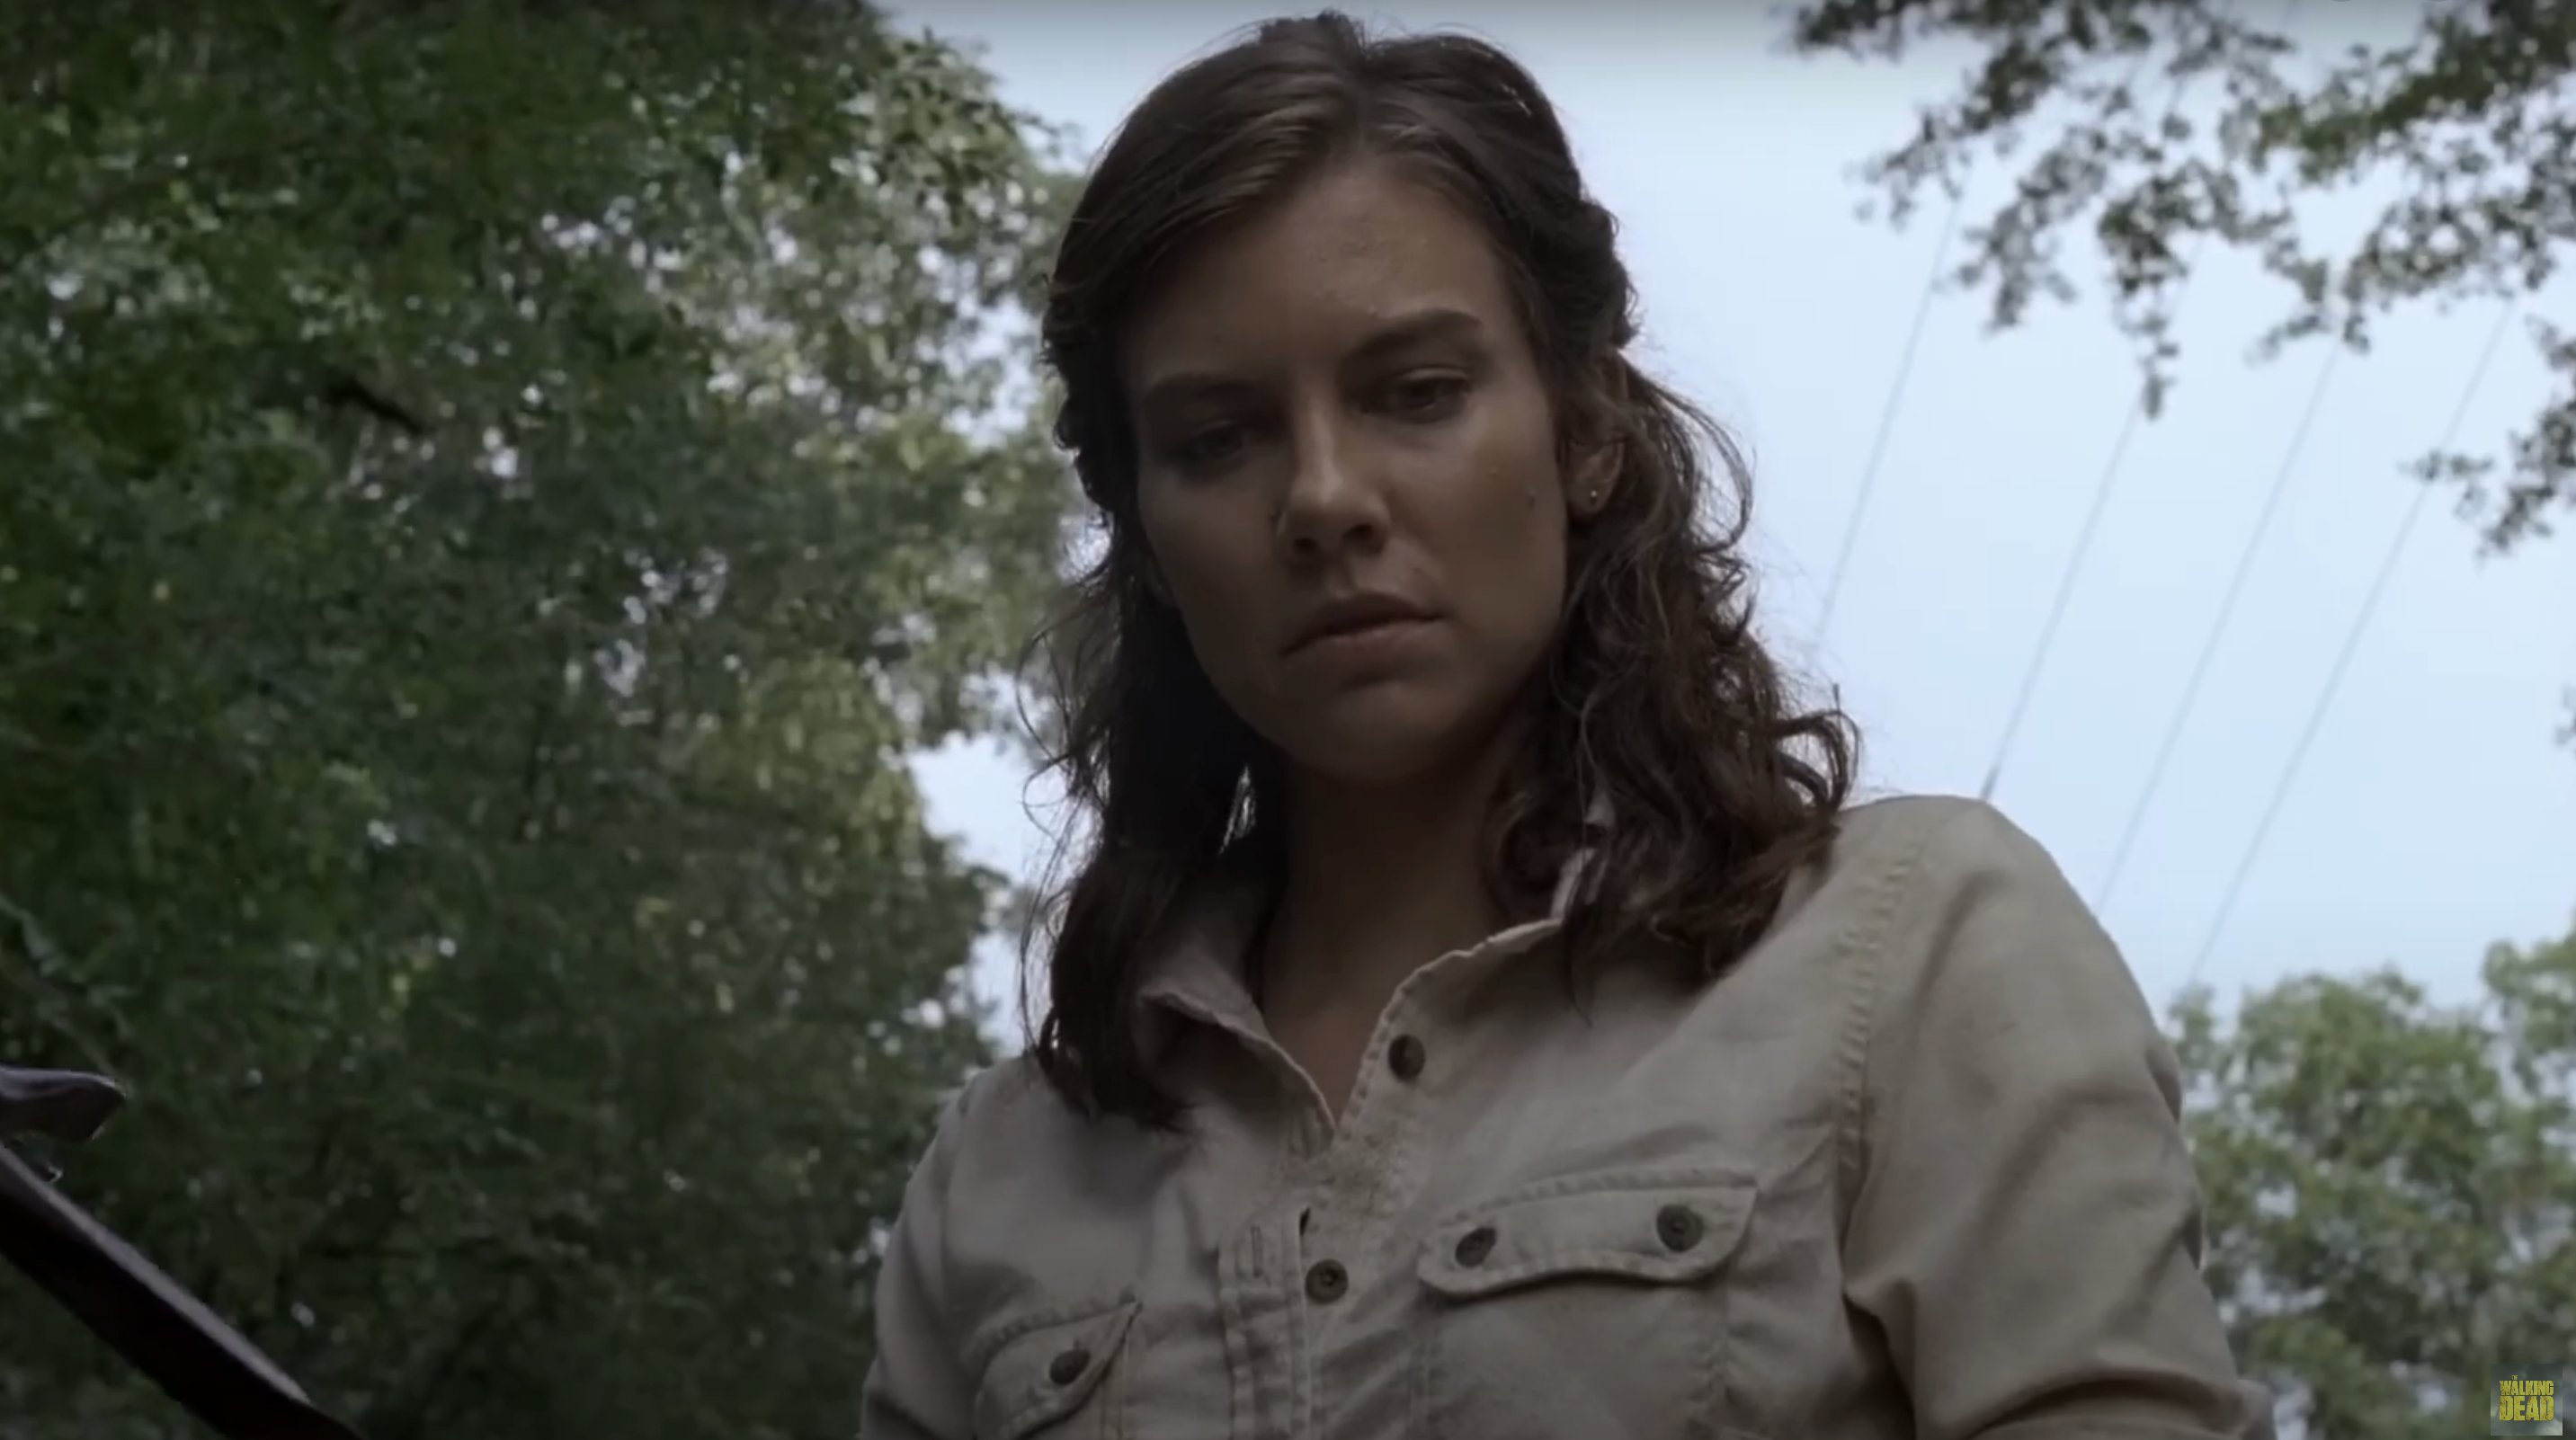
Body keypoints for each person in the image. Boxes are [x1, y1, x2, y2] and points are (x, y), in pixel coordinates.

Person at [862, 13, 2275, 1440]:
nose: (1325, 496)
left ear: (1586, 426)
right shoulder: (1006, 1173)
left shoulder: (1912, 959)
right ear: (1149, 536)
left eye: (1415, 392)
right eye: (1218, 437)